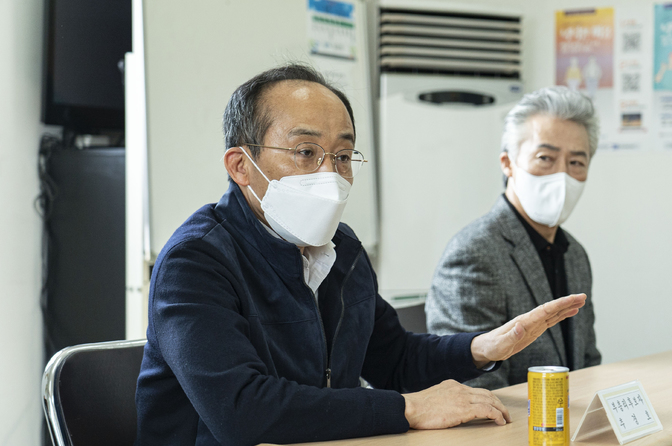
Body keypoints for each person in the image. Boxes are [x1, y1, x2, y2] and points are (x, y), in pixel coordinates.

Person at [134, 65, 588, 446]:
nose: (330, 174)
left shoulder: (341, 247)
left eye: (344, 155)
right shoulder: (194, 261)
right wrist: (408, 408)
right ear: (240, 167)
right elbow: (242, 410)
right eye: (306, 152)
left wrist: (478, 348)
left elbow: (391, 356)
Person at [425, 86, 602, 391]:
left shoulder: (575, 254)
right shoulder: (474, 252)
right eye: (545, 158)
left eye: (576, 163)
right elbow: (472, 385)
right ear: (507, 163)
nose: (562, 175)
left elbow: (587, 364)